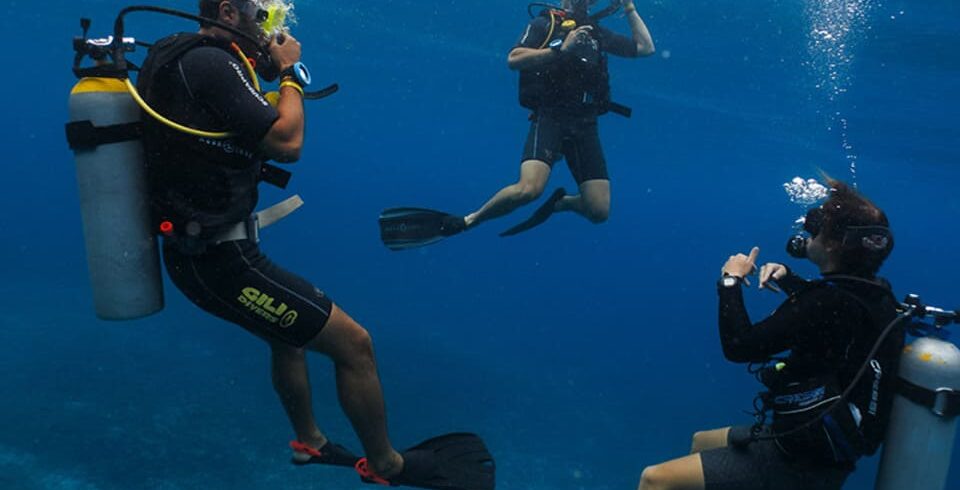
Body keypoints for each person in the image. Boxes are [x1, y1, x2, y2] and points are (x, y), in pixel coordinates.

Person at [136, 1, 494, 488]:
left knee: (288, 338)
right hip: (220, 262)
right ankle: (387, 464)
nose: (275, 28)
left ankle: (310, 442)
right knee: (355, 344)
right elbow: (287, 142)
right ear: (228, 11)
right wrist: (289, 76)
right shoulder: (212, 62)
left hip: (202, 252)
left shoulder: (182, 55)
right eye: (265, 16)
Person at [637, 180, 902, 490]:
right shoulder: (875, 294)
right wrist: (790, 280)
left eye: (816, 228)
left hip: (801, 461)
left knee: (655, 480)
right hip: (819, 441)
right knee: (701, 442)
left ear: (831, 244)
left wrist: (730, 281)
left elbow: (739, 346)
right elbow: (836, 318)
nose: (807, 234)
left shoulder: (825, 302)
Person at [377, 0, 655, 251]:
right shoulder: (545, 24)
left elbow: (645, 48)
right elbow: (514, 59)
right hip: (551, 117)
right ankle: (469, 219)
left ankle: (561, 203)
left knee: (599, 211)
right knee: (528, 190)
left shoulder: (596, 33)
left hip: (585, 122)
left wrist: (629, 7)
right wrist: (560, 49)